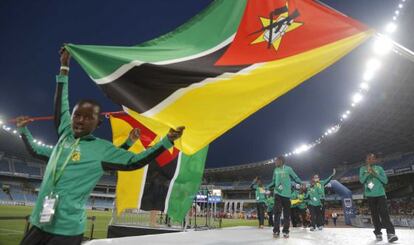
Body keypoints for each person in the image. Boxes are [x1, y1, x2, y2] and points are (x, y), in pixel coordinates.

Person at [18, 47, 185, 245]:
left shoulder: (101, 149)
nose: (80, 120)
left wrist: (167, 141)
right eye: (77, 115)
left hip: (66, 231)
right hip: (39, 223)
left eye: (88, 118)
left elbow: (133, 161)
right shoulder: (65, 136)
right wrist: (64, 67)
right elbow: (57, 111)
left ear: (98, 124)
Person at [359, 153, 398, 243]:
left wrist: (375, 174)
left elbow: (385, 181)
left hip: (380, 194)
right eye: (368, 158)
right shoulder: (362, 169)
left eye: (372, 158)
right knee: (375, 215)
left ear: (375, 160)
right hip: (370, 195)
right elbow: (361, 180)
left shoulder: (379, 168)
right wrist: (368, 173)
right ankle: (378, 233)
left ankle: (391, 234)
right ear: (366, 160)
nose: (370, 160)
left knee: (384, 214)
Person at [266, 156, 301, 238]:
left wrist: (301, 182)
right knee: (277, 213)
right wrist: (267, 186)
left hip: (287, 195)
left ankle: (285, 231)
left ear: (281, 161)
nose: (275, 162)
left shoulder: (288, 169)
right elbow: (273, 182)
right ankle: (276, 231)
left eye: (276, 161)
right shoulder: (275, 170)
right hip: (277, 194)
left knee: (286, 214)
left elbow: (295, 177)